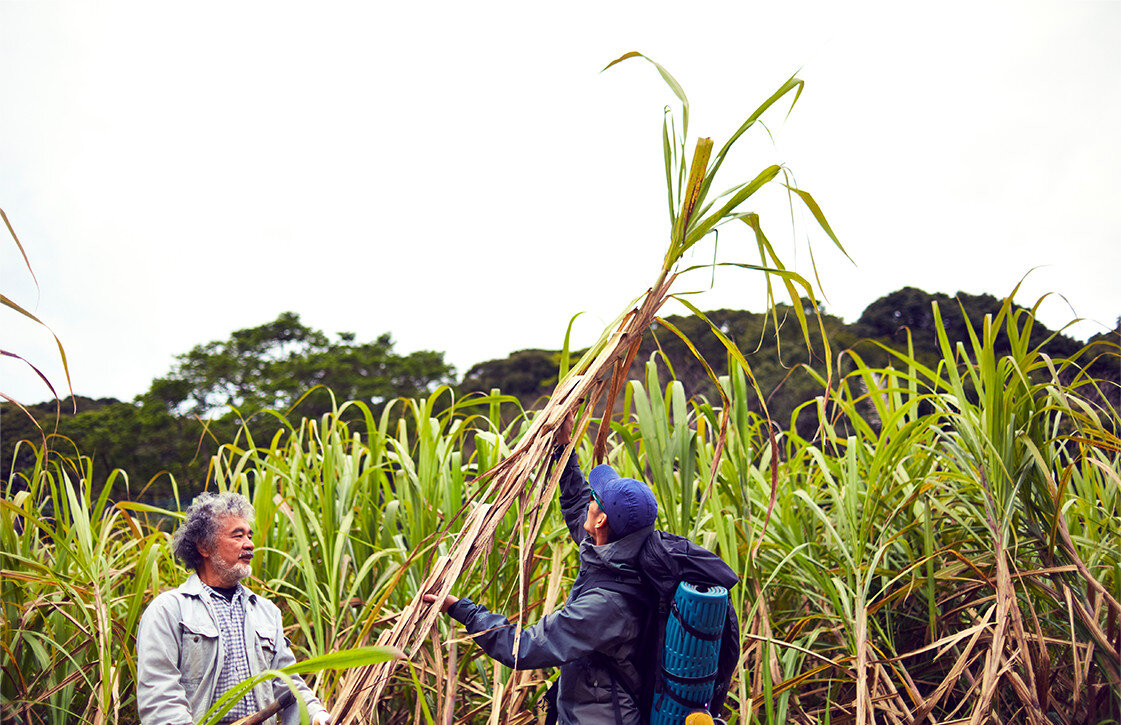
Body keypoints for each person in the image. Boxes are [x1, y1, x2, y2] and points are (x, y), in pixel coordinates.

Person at [424, 414, 658, 724]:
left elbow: (524, 649)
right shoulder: (624, 553)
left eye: (595, 498)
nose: (589, 499)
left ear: (601, 521)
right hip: (590, 706)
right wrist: (563, 450)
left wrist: (463, 611)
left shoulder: (606, 606)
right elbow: (577, 507)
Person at [137, 492, 331, 725]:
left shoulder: (266, 612)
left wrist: (318, 716)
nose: (249, 544)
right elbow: (160, 699)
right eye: (237, 535)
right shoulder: (168, 611)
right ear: (204, 546)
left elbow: (288, 686)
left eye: (249, 535)